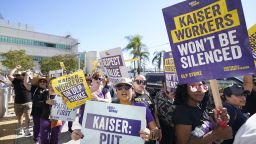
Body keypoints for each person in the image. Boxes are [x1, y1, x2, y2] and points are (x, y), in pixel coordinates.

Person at [72, 77, 161, 142]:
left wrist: (150, 134)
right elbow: (95, 130)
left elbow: (156, 132)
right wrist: (80, 133)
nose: (123, 90)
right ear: (116, 91)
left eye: (127, 88)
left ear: (132, 90)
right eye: (120, 88)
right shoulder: (108, 107)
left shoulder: (142, 107)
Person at [133, 75, 160, 144]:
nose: (142, 84)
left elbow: (154, 112)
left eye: (144, 82)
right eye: (139, 82)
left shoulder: (147, 95)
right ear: (134, 83)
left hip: (152, 132)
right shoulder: (131, 96)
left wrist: (158, 128)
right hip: (140, 133)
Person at [7, 65, 32, 136]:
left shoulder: (30, 82)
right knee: (20, 117)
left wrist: (28, 73)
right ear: (21, 76)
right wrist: (15, 68)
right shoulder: (16, 81)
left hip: (28, 102)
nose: (24, 76)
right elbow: (9, 75)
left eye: (25, 75)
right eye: (23, 75)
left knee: (27, 116)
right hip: (18, 103)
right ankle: (21, 128)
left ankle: (27, 129)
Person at [24, 75, 49, 143]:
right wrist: (27, 74)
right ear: (38, 83)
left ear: (47, 83)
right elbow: (25, 84)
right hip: (36, 112)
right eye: (41, 81)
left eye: (44, 81)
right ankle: (36, 140)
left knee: (45, 128)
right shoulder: (34, 89)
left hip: (47, 113)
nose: (42, 82)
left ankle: (44, 140)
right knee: (37, 127)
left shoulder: (50, 90)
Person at [39, 77, 63, 144]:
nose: (51, 85)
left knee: (55, 137)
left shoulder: (61, 94)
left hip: (57, 118)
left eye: (54, 83)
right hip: (45, 118)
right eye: (50, 83)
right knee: (44, 138)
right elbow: (37, 102)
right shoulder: (44, 93)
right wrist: (46, 101)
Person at [155, 80, 175, 144]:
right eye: (167, 82)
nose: (169, 85)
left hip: (175, 127)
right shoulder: (160, 95)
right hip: (165, 127)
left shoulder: (176, 93)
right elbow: (157, 111)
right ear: (163, 84)